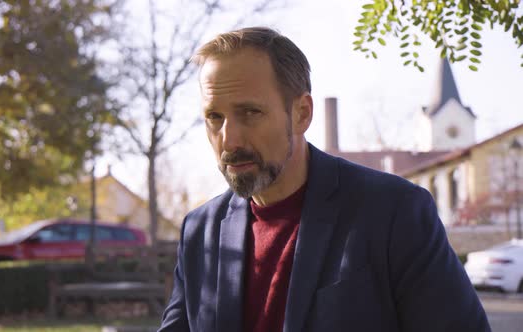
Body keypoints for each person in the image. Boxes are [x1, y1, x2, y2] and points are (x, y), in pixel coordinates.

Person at [158, 27, 490, 332]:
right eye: (214, 118)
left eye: (250, 113)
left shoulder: (393, 212)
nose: (229, 140)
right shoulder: (199, 231)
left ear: (302, 113)